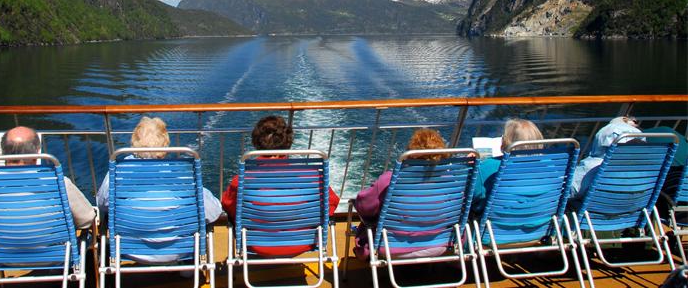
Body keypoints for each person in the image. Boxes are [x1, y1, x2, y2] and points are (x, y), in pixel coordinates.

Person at [95, 117, 223, 262]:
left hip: (128, 248)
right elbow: (212, 211)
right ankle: (188, 269)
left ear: (134, 142)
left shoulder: (117, 172)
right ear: (165, 144)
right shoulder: (181, 176)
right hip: (179, 250)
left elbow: (102, 203)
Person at [221, 115, 340, 257]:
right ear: (288, 142)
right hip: (303, 242)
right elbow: (331, 203)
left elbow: (228, 204)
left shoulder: (242, 179)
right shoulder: (313, 177)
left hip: (256, 244)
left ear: (256, 143)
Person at [0, 126, 96, 230]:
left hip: (0, 259)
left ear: (3, 152)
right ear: (36, 153)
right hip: (54, 258)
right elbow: (87, 220)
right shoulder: (59, 185)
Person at [353, 128, 452, 259]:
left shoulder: (390, 179)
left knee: (368, 222)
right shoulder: (451, 181)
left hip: (392, 248)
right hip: (441, 245)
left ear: (410, 153)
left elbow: (364, 206)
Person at [471, 119, 544, 213]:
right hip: (540, 222)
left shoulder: (487, 167)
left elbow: (471, 197)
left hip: (497, 224)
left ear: (505, 142)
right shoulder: (553, 167)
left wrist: (469, 167)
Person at [569, 116, 642, 200]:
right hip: (633, 209)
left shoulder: (592, 169)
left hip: (595, 209)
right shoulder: (646, 171)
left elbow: (570, 191)